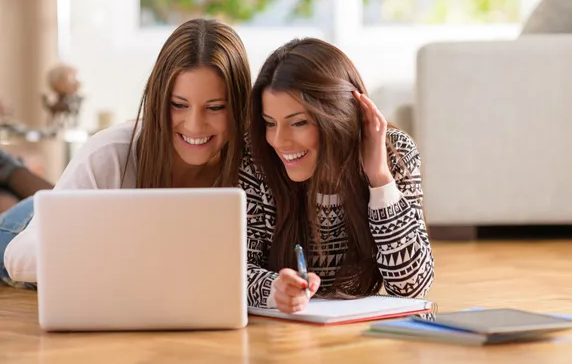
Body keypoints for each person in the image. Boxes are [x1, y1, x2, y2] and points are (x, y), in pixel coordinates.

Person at [1, 18, 252, 288]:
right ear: (157, 100)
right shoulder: (111, 151)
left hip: (75, 208)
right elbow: (18, 257)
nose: (194, 124)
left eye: (215, 107)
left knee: (53, 196)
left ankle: (12, 172)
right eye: (178, 105)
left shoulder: (255, 164)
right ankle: (11, 171)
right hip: (19, 227)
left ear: (238, 106)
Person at [240, 38, 434, 313]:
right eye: (270, 123)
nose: (279, 141)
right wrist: (274, 289)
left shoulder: (394, 153)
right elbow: (232, 268)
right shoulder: (255, 157)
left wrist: (379, 178)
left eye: (298, 123)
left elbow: (412, 288)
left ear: (337, 115)